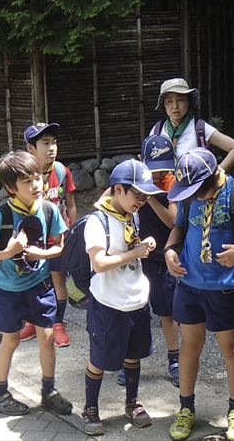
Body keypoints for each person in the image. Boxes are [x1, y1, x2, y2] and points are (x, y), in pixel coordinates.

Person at [164, 148, 234, 441]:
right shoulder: (190, 195)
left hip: (223, 287)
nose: (194, 196)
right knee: (189, 345)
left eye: (197, 190)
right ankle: (185, 408)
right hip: (188, 285)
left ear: (213, 176)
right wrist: (170, 250)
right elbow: (179, 226)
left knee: (230, 349)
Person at [0, 151, 73, 416]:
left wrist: (38, 254)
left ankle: (48, 391)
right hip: (8, 290)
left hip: (40, 286)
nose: (36, 186)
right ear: (10, 187)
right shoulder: (2, 216)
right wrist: (9, 251)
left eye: (38, 178)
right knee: (9, 342)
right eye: (27, 182)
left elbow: (59, 246)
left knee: (47, 338)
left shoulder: (48, 209)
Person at [81, 159, 162, 436]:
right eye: (138, 194)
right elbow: (99, 264)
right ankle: (90, 408)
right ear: (118, 189)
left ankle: (132, 402)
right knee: (99, 359)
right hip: (108, 303)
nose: (143, 200)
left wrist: (142, 246)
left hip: (136, 300)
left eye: (146, 195)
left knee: (134, 355)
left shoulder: (132, 214)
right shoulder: (97, 220)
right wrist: (135, 253)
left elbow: (131, 248)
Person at [117, 135, 180, 388]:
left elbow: (172, 221)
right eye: (154, 169)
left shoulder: (172, 182)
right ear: (142, 162)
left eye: (164, 167)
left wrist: (150, 194)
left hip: (161, 257)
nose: (159, 173)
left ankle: (174, 361)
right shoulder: (128, 183)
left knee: (166, 312)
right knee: (133, 311)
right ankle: (129, 362)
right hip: (134, 256)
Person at [21, 122, 77, 347]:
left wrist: (71, 230)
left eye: (54, 142)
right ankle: (33, 322)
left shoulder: (62, 172)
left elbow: (70, 204)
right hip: (33, 237)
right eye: (45, 143)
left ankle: (57, 322)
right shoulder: (23, 174)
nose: (52, 147)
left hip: (57, 237)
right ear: (31, 148)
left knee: (57, 278)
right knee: (30, 278)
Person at [150, 77, 234, 171]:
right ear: (164, 105)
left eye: (180, 100)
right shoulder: (157, 130)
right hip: (166, 186)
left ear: (188, 102)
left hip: (196, 186)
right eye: (169, 101)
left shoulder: (199, 128)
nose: (175, 106)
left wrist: (216, 175)